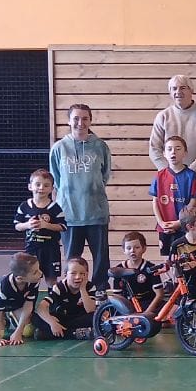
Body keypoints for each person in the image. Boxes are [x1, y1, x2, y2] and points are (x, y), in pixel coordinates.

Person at [49, 103, 112, 293]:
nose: (80, 123)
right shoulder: (59, 148)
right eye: (76, 118)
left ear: (90, 120)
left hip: (96, 212)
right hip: (69, 214)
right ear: (69, 121)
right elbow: (56, 180)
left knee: (101, 259)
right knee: (72, 259)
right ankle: (72, 294)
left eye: (85, 118)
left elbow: (104, 175)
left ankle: (100, 292)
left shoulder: (100, 146)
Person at [149, 74, 196, 175]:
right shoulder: (163, 116)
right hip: (170, 178)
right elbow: (154, 148)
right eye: (174, 88)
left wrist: (189, 172)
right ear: (170, 92)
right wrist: (170, 172)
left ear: (191, 90)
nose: (178, 92)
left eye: (183, 88)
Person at [149, 135, 196, 255]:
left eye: (178, 149)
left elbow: (193, 202)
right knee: (167, 259)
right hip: (165, 226)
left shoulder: (191, 176)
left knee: (185, 258)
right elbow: (155, 202)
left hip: (185, 226)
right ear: (164, 153)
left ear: (185, 153)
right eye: (169, 149)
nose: (173, 152)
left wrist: (180, 222)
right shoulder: (159, 176)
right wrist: (161, 223)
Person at [14, 168, 66, 285]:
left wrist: (46, 225)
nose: (41, 188)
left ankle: (53, 297)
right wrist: (28, 225)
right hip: (31, 250)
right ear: (30, 186)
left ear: (52, 189)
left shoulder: (55, 208)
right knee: (30, 278)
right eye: (38, 184)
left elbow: (63, 227)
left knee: (51, 280)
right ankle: (29, 296)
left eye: (46, 185)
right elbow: (17, 226)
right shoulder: (24, 206)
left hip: (51, 250)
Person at [108, 231, 165, 328]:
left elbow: (159, 294)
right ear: (124, 250)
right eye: (128, 248)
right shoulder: (119, 269)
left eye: (137, 247)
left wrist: (146, 314)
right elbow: (117, 296)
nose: (132, 251)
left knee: (172, 308)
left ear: (144, 249)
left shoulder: (150, 268)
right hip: (128, 306)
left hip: (149, 303)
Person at [0, 251, 42, 346]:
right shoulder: (4, 288)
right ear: (20, 278)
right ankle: (4, 317)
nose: (40, 274)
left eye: (39, 269)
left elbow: (28, 306)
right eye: (35, 272)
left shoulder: (34, 280)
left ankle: (11, 315)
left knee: (27, 331)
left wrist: (18, 332)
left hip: (16, 304)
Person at [32, 256, 96, 340]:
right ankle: (75, 333)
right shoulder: (59, 287)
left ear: (87, 275)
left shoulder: (90, 286)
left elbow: (90, 309)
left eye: (82, 273)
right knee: (35, 318)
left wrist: (82, 289)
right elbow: (41, 308)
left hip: (79, 319)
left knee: (96, 316)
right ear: (66, 275)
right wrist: (52, 323)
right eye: (73, 273)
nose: (78, 277)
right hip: (61, 319)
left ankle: (51, 334)